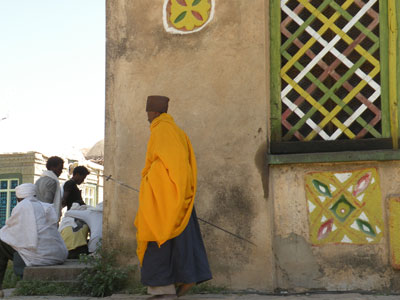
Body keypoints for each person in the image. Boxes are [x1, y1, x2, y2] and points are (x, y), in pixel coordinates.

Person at [135, 95, 212, 300]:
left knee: (156, 241)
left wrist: (150, 179)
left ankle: (161, 289)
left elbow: (164, 165)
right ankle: (185, 278)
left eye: (148, 112)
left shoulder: (161, 130)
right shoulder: (178, 132)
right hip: (180, 196)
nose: (147, 117)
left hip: (162, 198)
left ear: (154, 112)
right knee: (182, 240)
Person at [0, 183, 68, 295]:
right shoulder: (45, 206)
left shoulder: (22, 206)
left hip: (40, 256)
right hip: (58, 255)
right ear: (34, 195)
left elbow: (9, 230)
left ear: (18, 198)